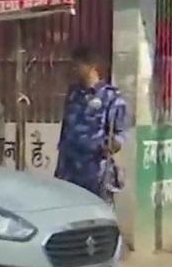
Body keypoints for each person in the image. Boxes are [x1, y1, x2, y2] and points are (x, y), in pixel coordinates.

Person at [55, 46, 129, 202]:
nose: (74, 69)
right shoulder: (73, 94)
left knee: (98, 212)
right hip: (69, 171)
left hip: (96, 173)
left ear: (92, 66)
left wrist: (112, 145)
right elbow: (66, 130)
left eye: (78, 65)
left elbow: (120, 134)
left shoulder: (110, 97)